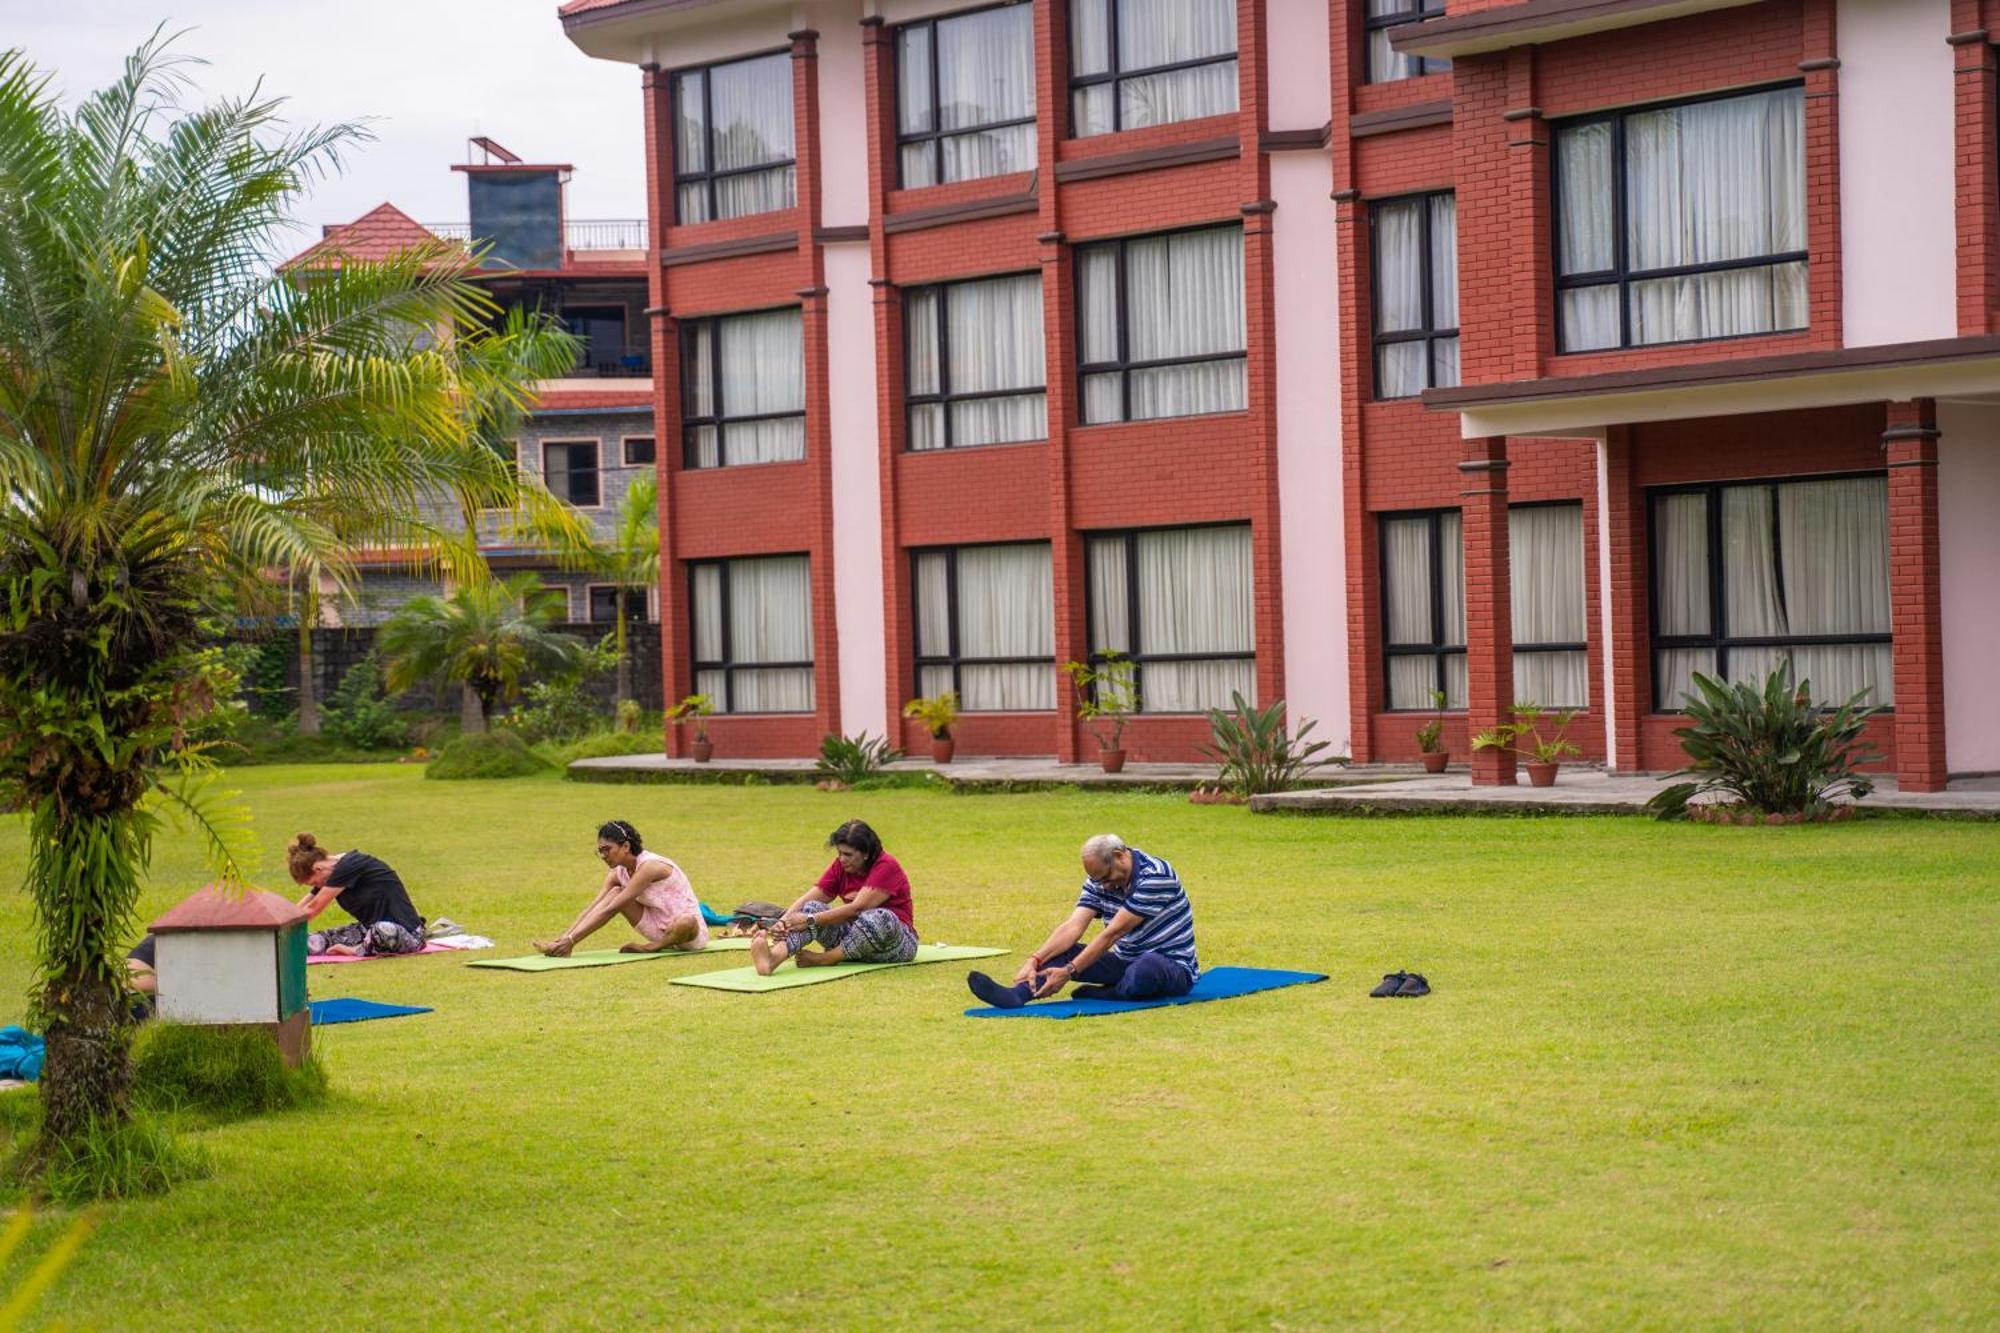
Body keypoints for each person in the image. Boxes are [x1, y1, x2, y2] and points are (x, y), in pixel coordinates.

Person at [966, 833, 1198, 1008]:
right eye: (1097, 880)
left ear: (1120, 856)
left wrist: (1069, 971)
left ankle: (1114, 993)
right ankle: (1018, 994)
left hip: (1172, 967)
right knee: (1064, 952)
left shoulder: (1156, 877)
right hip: (1125, 960)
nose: (1104, 886)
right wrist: (1035, 960)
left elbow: (1112, 934)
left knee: (1145, 969)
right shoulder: (1099, 880)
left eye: (1106, 878)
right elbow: (1072, 927)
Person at [752, 820, 918, 976]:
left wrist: (809, 920)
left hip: (894, 945)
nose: (842, 859)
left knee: (880, 917)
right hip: (852, 943)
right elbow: (810, 897)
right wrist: (782, 922)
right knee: (812, 907)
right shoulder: (841, 866)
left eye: (848, 854)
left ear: (866, 853)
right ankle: (772, 959)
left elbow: (857, 909)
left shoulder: (886, 866)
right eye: (839, 853)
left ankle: (826, 959)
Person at [535, 819, 707, 957]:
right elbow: (595, 907)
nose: (603, 856)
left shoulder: (650, 866)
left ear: (625, 846)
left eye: (606, 850)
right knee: (615, 893)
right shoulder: (618, 873)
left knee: (686, 921)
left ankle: (651, 948)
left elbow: (613, 908)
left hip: (688, 935)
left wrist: (573, 940)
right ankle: (560, 945)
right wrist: (563, 939)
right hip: (657, 928)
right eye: (600, 851)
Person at [287, 832, 428, 957]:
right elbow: (304, 905)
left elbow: (313, 908)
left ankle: (357, 950)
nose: (317, 887)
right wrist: (281, 926)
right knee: (313, 942)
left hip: (406, 934)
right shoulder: (331, 874)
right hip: (367, 931)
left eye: (313, 883)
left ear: (317, 868)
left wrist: (285, 928)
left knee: (382, 930)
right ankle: (364, 945)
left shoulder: (349, 866)